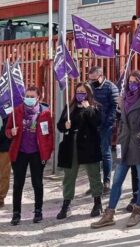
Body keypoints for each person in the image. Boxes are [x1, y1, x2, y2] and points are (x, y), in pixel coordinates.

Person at [91, 70, 140, 229]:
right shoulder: (124, 97)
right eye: (130, 81)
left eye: (135, 82)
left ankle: (137, 211)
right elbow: (121, 119)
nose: (132, 84)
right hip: (124, 143)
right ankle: (109, 213)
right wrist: (120, 106)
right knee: (117, 179)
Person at [5, 85, 54, 225]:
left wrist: (47, 152)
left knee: (37, 183)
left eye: (32, 96)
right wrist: (11, 132)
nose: (29, 99)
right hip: (20, 152)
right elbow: (7, 131)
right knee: (18, 184)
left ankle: (38, 211)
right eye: (27, 96)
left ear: (38, 97)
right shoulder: (16, 112)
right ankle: (16, 214)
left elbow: (49, 134)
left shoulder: (45, 113)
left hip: (37, 154)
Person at [56, 82, 103, 220]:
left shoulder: (95, 107)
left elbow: (97, 123)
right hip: (71, 145)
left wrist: (89, 109)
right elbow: (60, 125)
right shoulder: (70, 107)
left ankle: (97, 202)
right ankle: (66, 203)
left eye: (83, 92)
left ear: (88, 93)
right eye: (78, 92)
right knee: (69, 176)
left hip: (88, 145)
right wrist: (65, 125)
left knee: (93, 174)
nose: (80, 94)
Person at [88, 66, 119, 193]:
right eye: (90, 79)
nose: (92, 82)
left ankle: (106, 182)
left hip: (105, 125)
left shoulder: (111, 88)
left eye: (94, 79)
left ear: (101, 76)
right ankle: (95, 183)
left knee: (105, 153)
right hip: (91, 125)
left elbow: (114, 109)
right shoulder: (90, 87)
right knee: (92, 154)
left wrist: (106, 124)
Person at [0, 111, 11, 208]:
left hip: (4, 146)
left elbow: (9, 129)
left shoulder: (7, 111)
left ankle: (1, 197)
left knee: (4, 173)